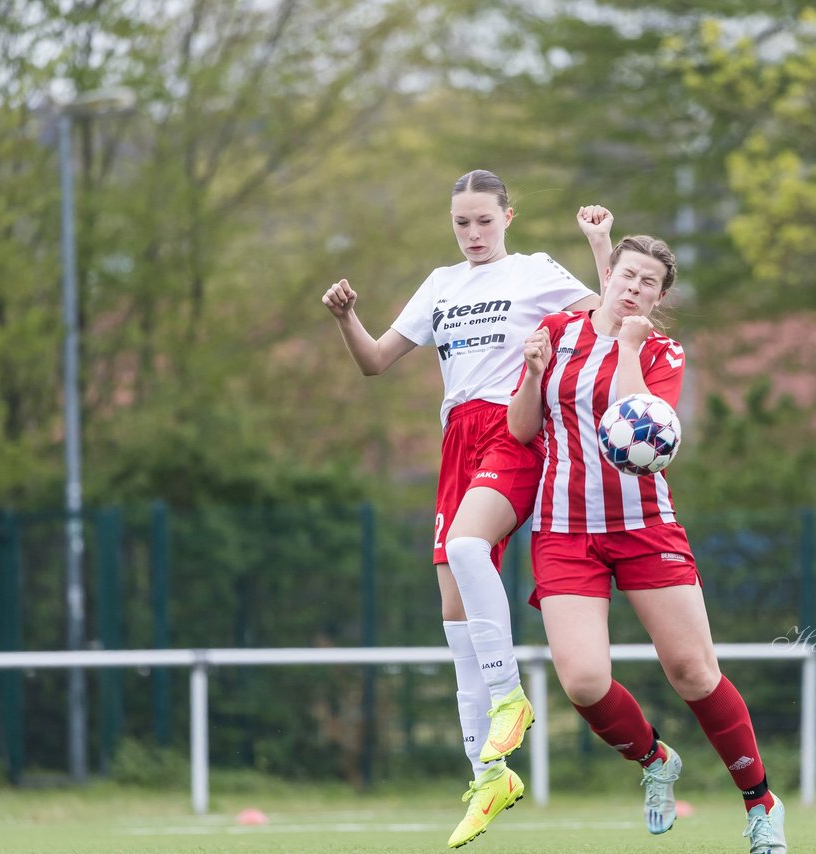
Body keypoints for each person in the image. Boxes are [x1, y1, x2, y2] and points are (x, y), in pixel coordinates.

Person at [321, 169, 612, 849]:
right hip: (456, 439)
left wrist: (599, 243)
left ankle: (511, 698)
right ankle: (489, 775)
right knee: (454, 620)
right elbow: (374, 361)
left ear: (509, 217)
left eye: (485, 220)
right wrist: (344, 317)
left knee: (465, 548)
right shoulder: (440, 284)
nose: (474, 233)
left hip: (510, 428)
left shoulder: (534, 272)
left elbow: (609, 315)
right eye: (462, 223)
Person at [507, 234, 788, 852]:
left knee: (692, 670)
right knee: (582, 682)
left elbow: (646, 430)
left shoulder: (662, 350)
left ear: (659, 297)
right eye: (626, 276)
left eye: (648, 284)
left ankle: (761, 803)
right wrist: (531, 374)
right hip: (564, 529)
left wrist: (629, 345)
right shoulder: (557, 331)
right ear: (607, 275)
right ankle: (655, 759)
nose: (633, 288)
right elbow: (523, 429)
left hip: (644, 528)